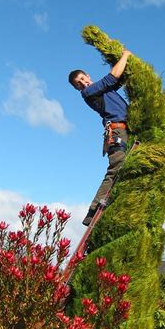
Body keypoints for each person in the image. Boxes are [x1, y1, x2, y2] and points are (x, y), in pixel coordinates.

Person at [69, 48, 131, 225]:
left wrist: (122, 61)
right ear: (77, 89)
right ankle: (94, 211)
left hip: (126, 129)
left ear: (87, 75)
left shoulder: (103, 90)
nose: (82, 83)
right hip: (117, 132)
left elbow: (118, 78)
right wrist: (126, 55)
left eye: (82, 79)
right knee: (116, 168)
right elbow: (112, 77)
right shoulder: (89, 92)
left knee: (125, 168)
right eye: (78, 84)